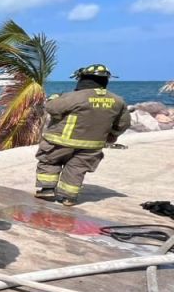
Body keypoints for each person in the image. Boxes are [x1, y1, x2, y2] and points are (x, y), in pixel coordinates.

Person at [34, 64, 130, 207]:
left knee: (50, 161)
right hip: (92, 146)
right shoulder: (118, 101)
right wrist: (112, 136)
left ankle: (47, 189)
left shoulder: (75, 97)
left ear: (83, 79)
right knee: (77, 169)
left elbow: (52, 108)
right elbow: (123, 123)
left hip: (61, 141)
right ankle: (69, 198)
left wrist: (53, 99)